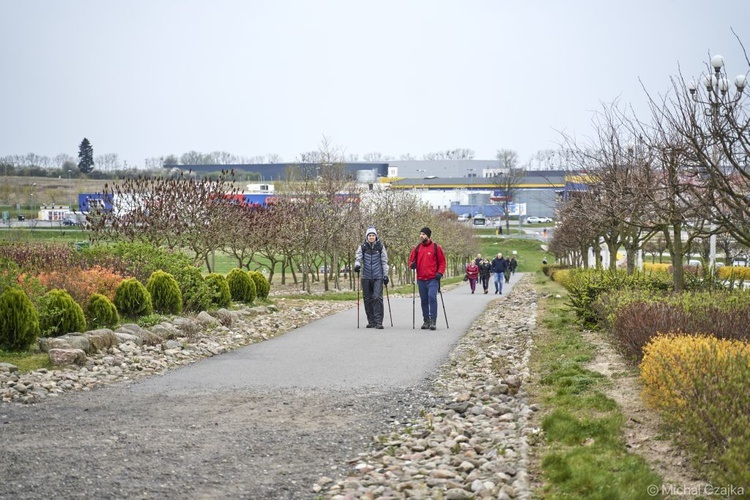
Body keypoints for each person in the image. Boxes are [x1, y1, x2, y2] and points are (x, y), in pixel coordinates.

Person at [408, 227, 447, 330]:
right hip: (421, 279)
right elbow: (411, 261)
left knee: (432, 297)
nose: (421, 236)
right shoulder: (417, 248)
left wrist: (440, 272)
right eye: (420, 234)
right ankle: (426, 320)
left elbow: (442, 262)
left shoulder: (436, 247)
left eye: (423, 234)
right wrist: (412, 265)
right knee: (424, 300)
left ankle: (433, 320)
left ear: (428, 236)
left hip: (433, 278)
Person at [354, 226, 389, 329]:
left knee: (377, 297)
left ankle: (379, 322)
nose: (371, 237)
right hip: (366, 276)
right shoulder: (363, 246)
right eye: (370, 235)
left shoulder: (380, 247)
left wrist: (385, 275)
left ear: (376, 236)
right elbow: (358, 257)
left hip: (378, 276)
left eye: (373, 235)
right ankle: (371, 320)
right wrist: (357, 265)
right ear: (367, 236)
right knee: (367, 299)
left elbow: (384, 261)